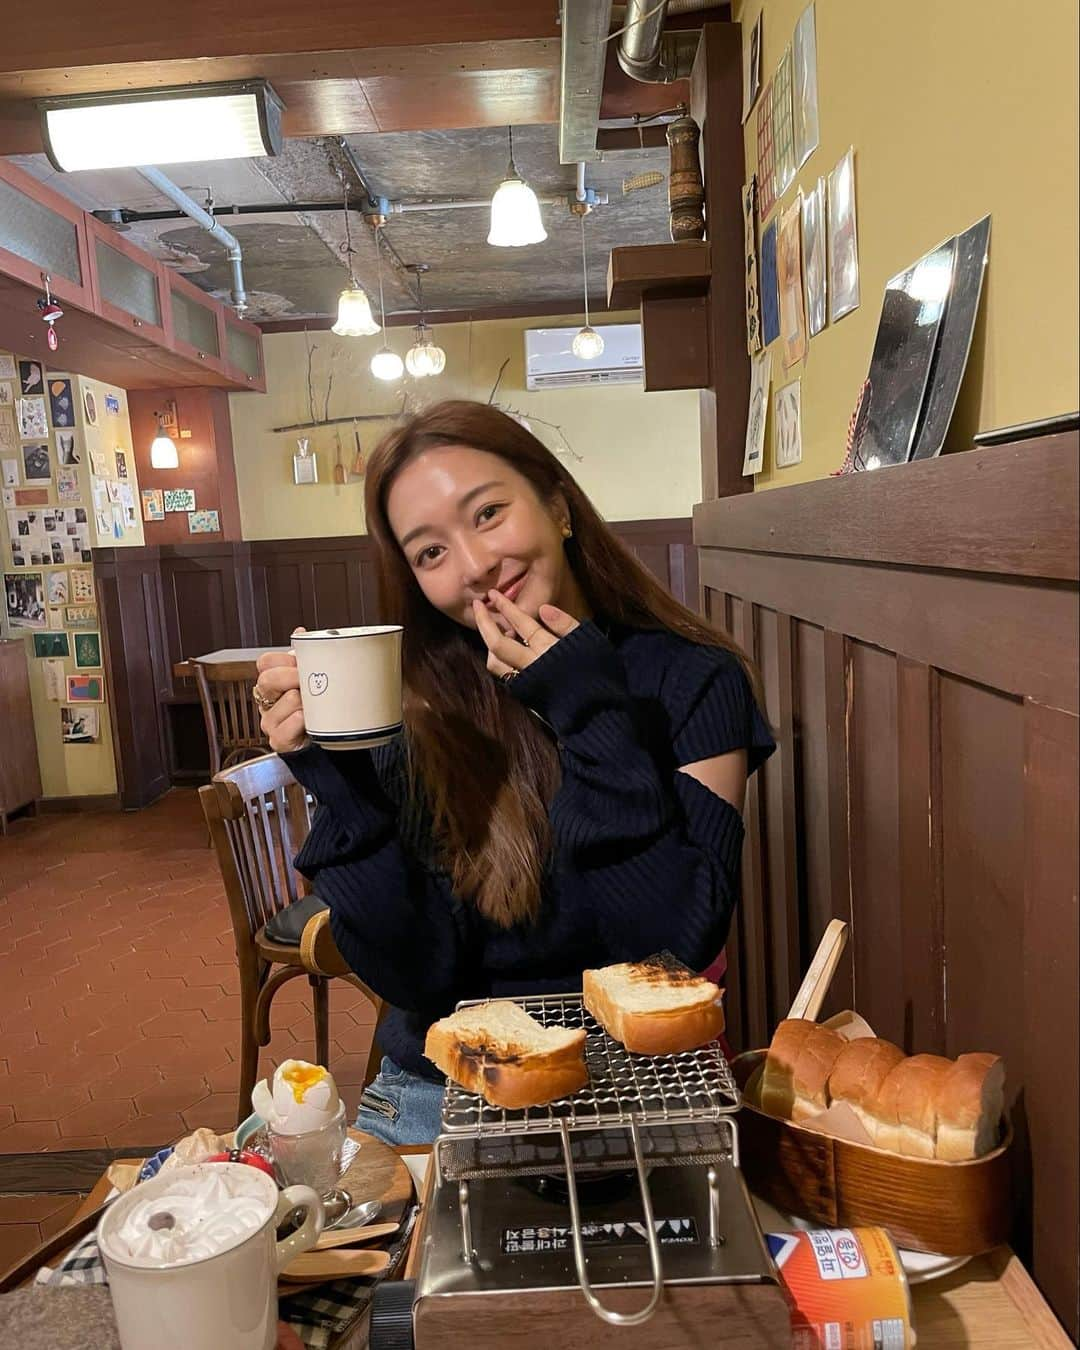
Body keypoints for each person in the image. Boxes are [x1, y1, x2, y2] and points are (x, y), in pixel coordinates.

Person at [253, 401, 774, 1144]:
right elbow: (417, 977)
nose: (473, 567)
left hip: (644, 1084)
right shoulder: (419, 707)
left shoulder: (695, 681)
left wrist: (586, 711)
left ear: (558, 504)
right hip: (441, 1094)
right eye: (430, 553)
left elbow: (676, 946)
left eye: (489, 513)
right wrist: (340, 788)